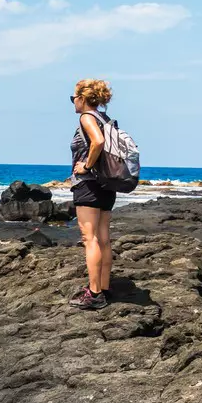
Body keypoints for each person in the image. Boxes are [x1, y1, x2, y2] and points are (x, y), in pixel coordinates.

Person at [68, 79, 117, 311]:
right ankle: (104, 288)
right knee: (103, 237)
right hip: (108, 185)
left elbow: (97, 142)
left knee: (90, 239)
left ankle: (94, 293)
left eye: (73, 98)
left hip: (89, 185)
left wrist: (86, 167)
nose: (73, 103)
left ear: (83, 98)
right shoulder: (105, 119)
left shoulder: (87, 117)